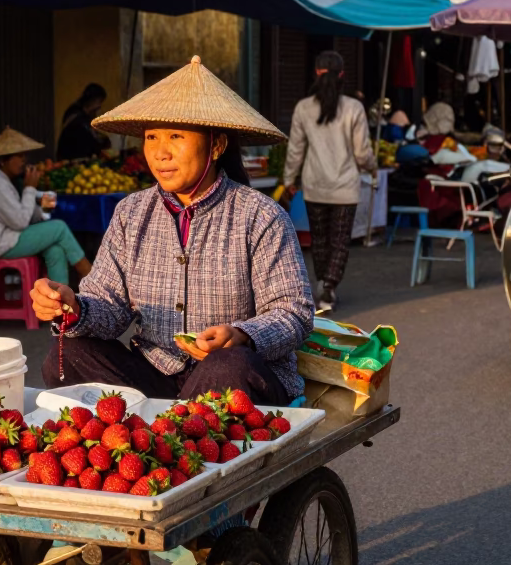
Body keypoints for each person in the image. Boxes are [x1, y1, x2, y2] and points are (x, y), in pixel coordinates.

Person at [31, 55, 314, 404]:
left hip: (235, 378)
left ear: (217, 145)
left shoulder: (260, 216)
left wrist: (242, 334)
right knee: (68, 355)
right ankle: (168, 430)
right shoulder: (130, 213)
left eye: (176, 136)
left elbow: (294, 313)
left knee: (228, 365)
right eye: (151, 138)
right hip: (156, 376)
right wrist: (74, 307)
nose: (160, 153)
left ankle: (168, 432)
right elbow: (109, 306)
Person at [282, 52, 376, 313]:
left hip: (314, 185)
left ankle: (322, 282)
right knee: (339, 241)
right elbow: (362, 153)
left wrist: (289, 179)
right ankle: (330, 288)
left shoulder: (303, 108)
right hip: (345, 187)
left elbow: (295, 151)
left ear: (316, 72)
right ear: (343, 75)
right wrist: (372, 165)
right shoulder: (354, 108)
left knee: (320, 239)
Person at [0, 127, 92, 286]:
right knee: (59, 227)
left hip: (4, 239)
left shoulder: (3, 181)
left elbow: (35, 217)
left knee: (55, 250)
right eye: (19, 156)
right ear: (3, 160)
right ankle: (89, 275)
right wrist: (29, 189)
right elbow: (21, 222)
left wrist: (44, 198)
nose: (24, 160)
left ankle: (59, 304)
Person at [56, 83, 111, 160]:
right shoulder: (75, 113)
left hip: (81, 157)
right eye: (99, 101)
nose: (99, 106)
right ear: (93, 100)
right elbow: (85, 133)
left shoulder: (88, 115)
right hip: (70, 157)